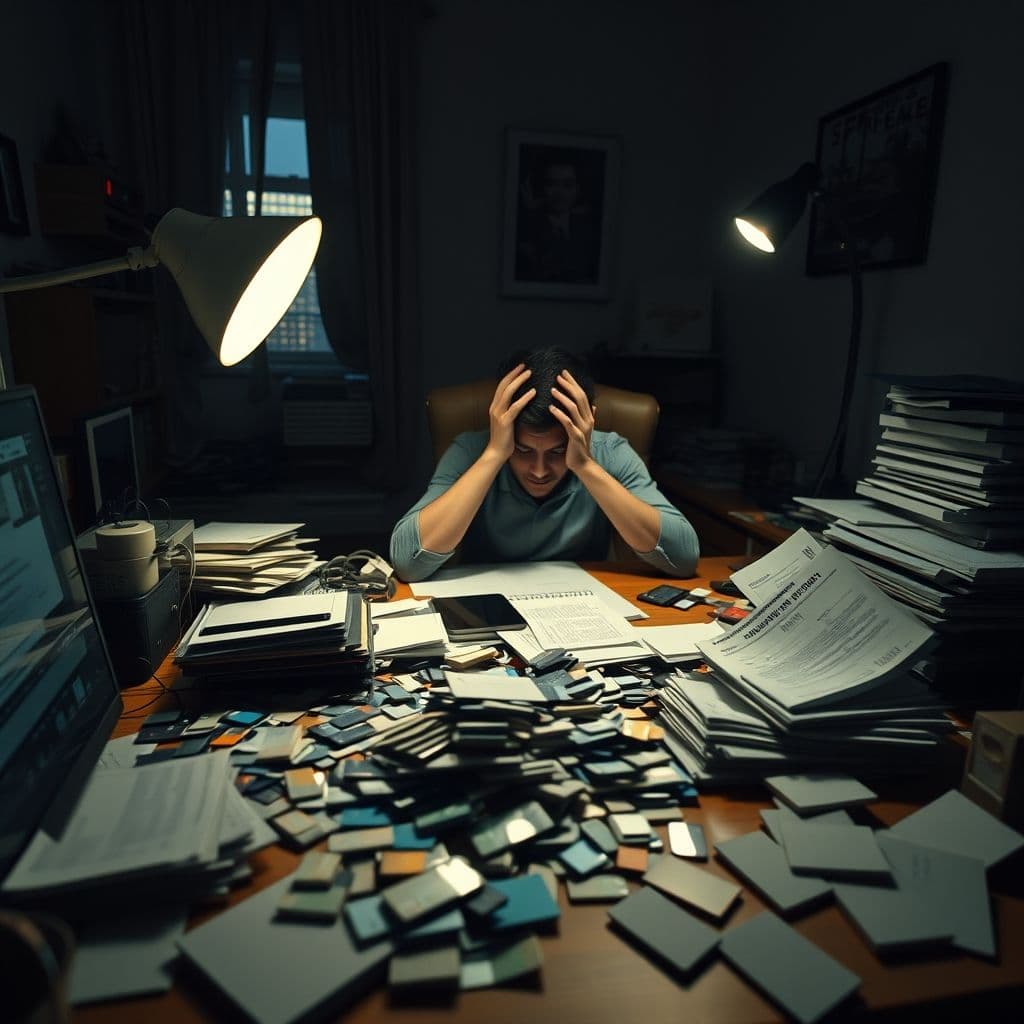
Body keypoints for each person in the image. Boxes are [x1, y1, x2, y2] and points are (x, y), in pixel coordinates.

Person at [389, 347, 699, 582]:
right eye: (523, 450)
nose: (539, 471)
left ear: (586, 425)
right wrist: (495, 454)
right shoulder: (471, 450)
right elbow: (407, 561)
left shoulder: (610, 451)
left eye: (556, 452)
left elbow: (683, 558)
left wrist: (585, 465)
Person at [514, 154, 600, 284]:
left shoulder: (588, 229)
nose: (559, 193)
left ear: (578, 189)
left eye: (568, 185)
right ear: (542, 187)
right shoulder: (527, 229)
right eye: (551, 184)